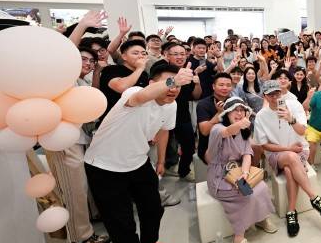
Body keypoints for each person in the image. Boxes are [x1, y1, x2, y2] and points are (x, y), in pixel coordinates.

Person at [84, 63, 193, 243]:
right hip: (104, 165)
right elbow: (142, 96)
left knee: (153, 208)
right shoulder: (135, 93)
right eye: (168, 83)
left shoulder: (171, 105)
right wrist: (174, 81)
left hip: (137, 161)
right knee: (121, 222)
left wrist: (161, 161)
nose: (174, 89)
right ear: (152, 83)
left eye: (177, 85)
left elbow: (164, 131)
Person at [47, 46, 111, 243]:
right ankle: (80, 237)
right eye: (83, 59)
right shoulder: (64, 79)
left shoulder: (82, 82)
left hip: (78, 137)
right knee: (74, 188)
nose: (88, 64)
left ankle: (86, 224)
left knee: (81, 186)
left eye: (91, 61)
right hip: (63, 140)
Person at [254, 80, 321, 237]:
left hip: (299, 150)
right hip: (277, 154)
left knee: (289, 171)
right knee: (291, 157)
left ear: (281, 92)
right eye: (271, 95)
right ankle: (314, 197)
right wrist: (288, 149)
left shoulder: (294, 105)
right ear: (265, 96)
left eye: (277, 93)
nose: (275, 97)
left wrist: (290, 119)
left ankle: (291, 212)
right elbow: (264, 146)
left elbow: (303, 131)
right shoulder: (261, 116)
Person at [205, 97, 276, 243]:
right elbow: (227, 132)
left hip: (237, 172)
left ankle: (260, 218)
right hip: (219, 177)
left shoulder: (243, 133)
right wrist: (240, 124)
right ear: (227, 113)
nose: (239, 113)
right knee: (245, 194)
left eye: (242, 110)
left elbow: (247, 155)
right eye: (235, 110)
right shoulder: (217, 129)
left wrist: (245, 173)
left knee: (261, 187)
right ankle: (238, 240)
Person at [152, 43, 201, 181]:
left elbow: (196, 95)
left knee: (189, 146)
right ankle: (160, 171)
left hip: (182, 115)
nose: (180, 57)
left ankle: (184, 171)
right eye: (175, 54)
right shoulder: (160, 70)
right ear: (167, 56)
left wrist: (197, 83)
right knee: (162, 146)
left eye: (182, 54)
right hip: (162, 113)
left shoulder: (189, 71)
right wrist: (175, 80)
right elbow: (155, 89)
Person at [98, 40, 149, 118]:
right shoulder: (111, 69)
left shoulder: (143, 74)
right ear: (124, 56)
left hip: (137, 117)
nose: (141, 56)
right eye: (135, 53)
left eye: (144, 54)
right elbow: (121, 87)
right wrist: (140, 68)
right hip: (114, 119)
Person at [197, 73, 234, 160]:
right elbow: (204, 131)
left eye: (228, 85)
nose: (225, 88)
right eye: (221, 85)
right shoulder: (203, 104)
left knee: (254, 148)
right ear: (213, 86)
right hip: (209, 146)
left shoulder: (233, 102)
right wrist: (219, 113)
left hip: (232, 143)